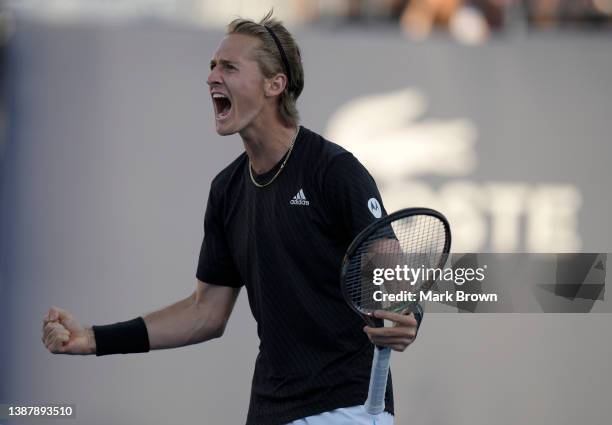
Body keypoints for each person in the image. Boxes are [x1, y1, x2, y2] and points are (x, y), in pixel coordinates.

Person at [41, 10, 421, 425]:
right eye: (211, 66)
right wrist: (94, 339)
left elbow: (390, 271)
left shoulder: (333, 169)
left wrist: (409, 315)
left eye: (229, 67)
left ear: (275, 85)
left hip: (346, 408)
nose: (211, 77)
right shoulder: (227, 190)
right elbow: (206, 313)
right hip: (270, 410)